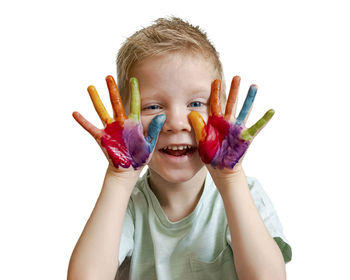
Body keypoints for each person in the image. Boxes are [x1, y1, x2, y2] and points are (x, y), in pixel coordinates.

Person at [68, 17, 292, 280]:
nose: (175, 123)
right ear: (126, 117)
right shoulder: (128, 206)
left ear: (220, 111)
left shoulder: (246, 193)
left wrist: (230, 180)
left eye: (196, 103)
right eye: (153, 106)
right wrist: (119, 179)